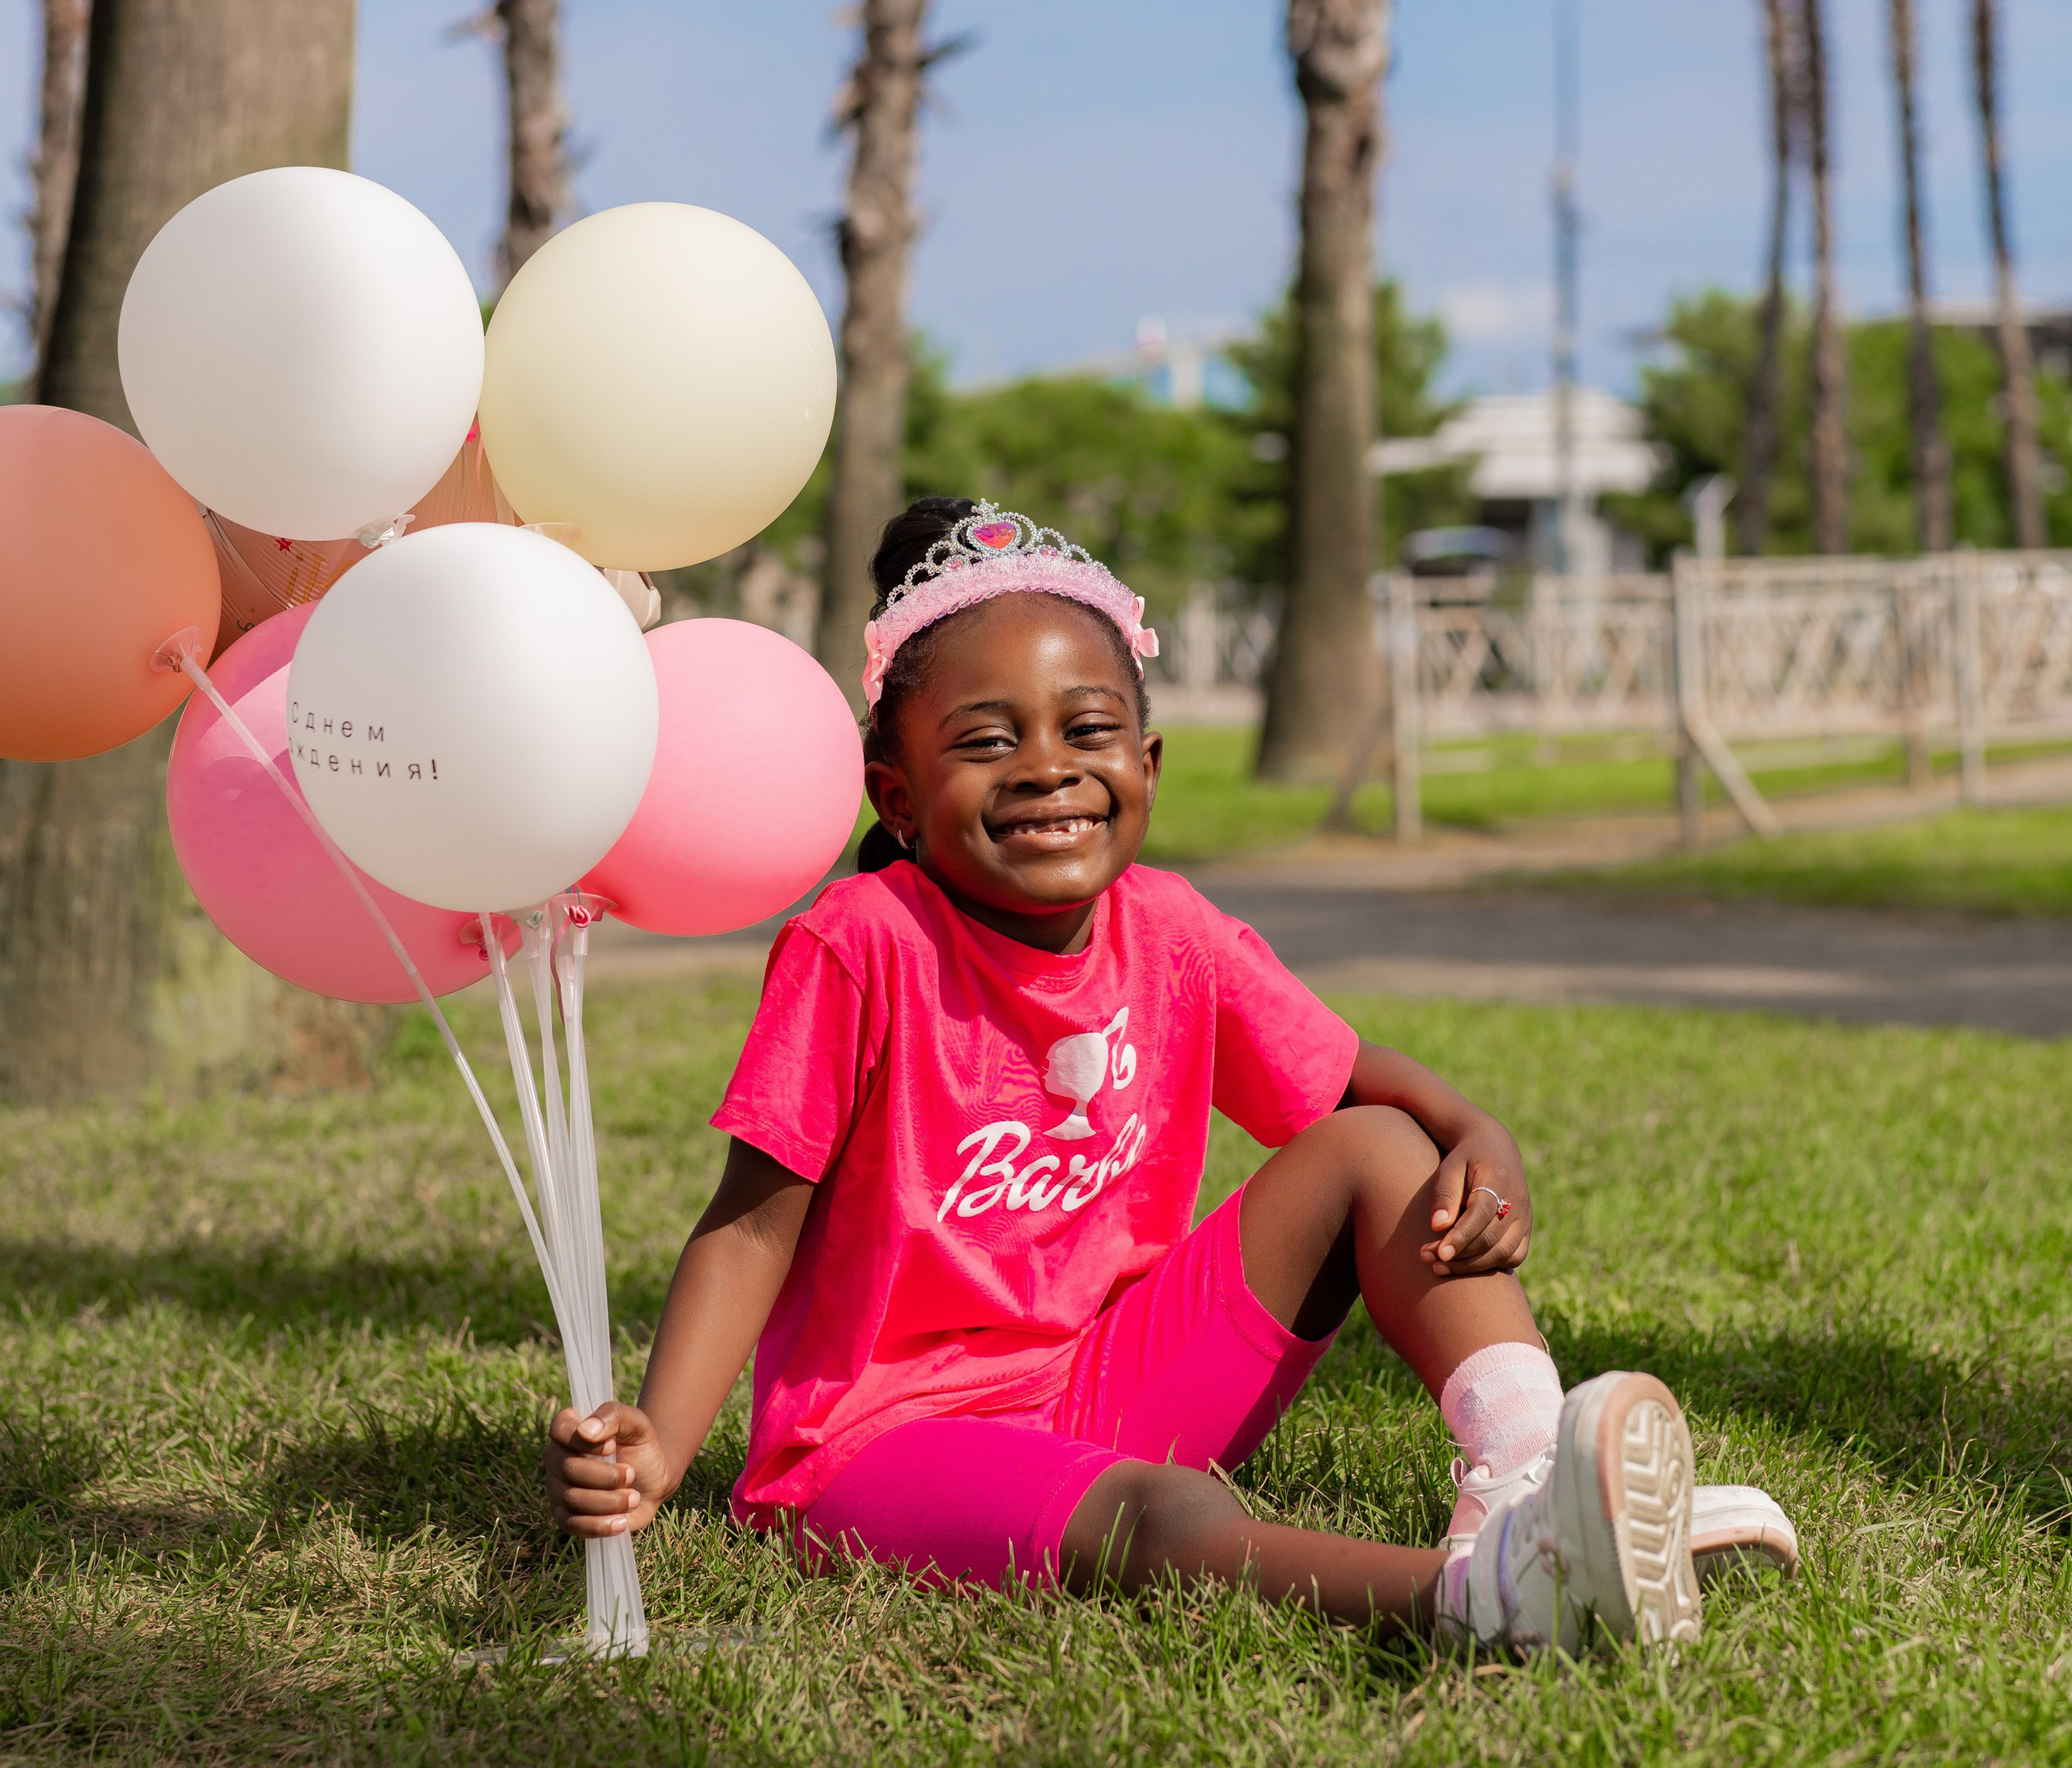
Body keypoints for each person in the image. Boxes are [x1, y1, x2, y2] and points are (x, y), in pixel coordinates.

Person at [548, 498, 1797, 1651]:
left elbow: (1357, 1084)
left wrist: (1479, 1126)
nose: (1046, 766)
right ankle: (1486, 1596)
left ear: (1147, 765)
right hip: (884, 1446)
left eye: (1087, 730)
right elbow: (750, 1229)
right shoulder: (861, 944)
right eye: (986, 741)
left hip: (1100, 1378)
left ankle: (1528, 1480)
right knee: (1156, 1515)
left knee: (1376, 1148)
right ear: (901, 795)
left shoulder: (1173, 929)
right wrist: (662, 1443)